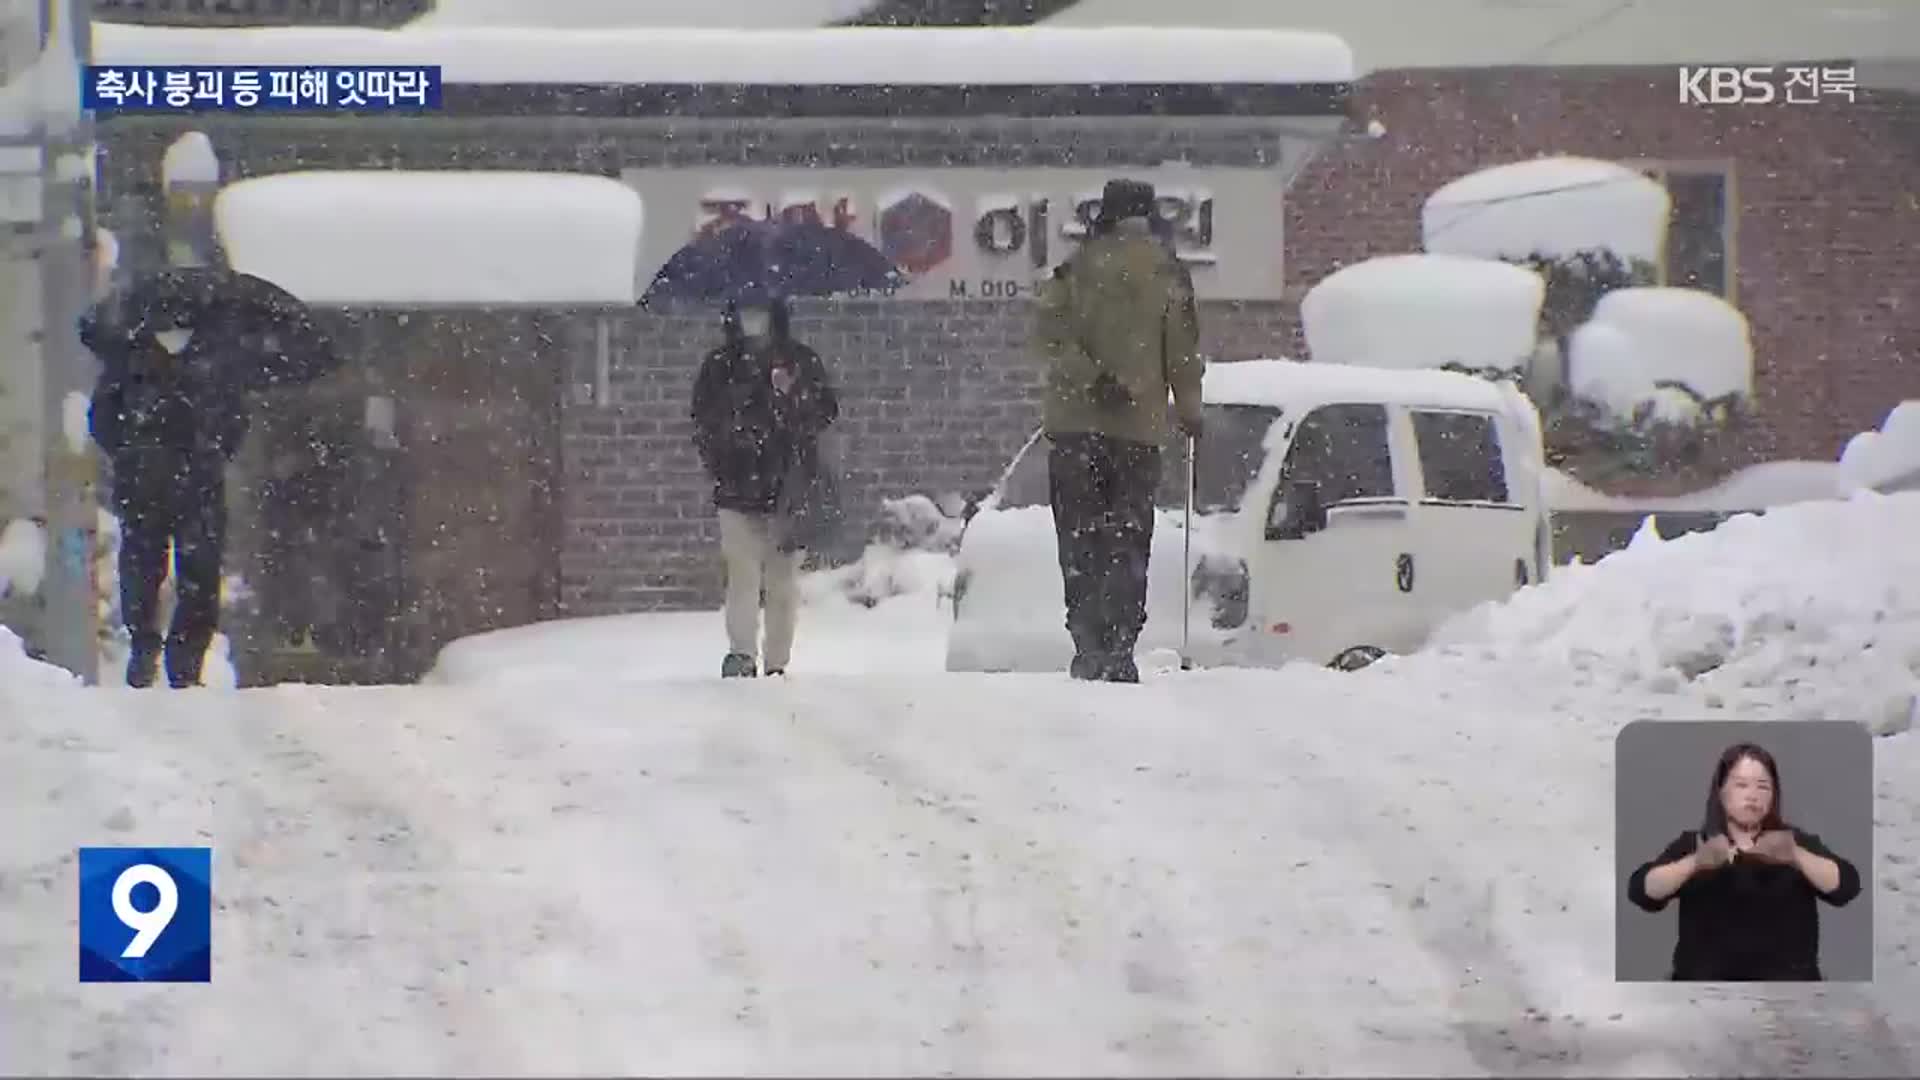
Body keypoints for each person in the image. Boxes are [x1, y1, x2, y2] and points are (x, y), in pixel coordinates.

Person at [1034, 177, 1203, 683]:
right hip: (1138, 429)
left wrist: (1091, 379)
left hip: (1075, 427)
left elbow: (1049, 340)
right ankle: (1120, 645)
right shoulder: (1168, 272)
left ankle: (1088, 643)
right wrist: (1190, 410)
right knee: (1128, 537)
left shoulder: (1073, 269)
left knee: (1080, 537)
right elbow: (1184, 351)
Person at [83, 298, 249, 689]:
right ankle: (153, 651)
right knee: (159, 572)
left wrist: (205, 452)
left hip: (178, 486)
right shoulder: (138, 361)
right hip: (162, 486)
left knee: (185, 574)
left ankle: (177, 658)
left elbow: (235, 421)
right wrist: (132, 454)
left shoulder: (204, 365)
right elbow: (103, 418)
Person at [690, 298, 839, 678]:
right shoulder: (720, 367)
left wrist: (790, 396)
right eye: (745, 311)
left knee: (782, 580)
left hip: (787, 490)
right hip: (736, 488)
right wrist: (728, 452)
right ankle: (741, 653)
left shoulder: (800, 362)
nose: (752, 321)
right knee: (741, 575)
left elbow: (823, 413)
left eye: (760, 311)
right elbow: (705, 421)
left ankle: (777, 661)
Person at [1626, 741, 1862, 981]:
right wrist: (1696, 862)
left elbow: (1847, 886)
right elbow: (1642, 891)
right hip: (1705, 997)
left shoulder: (1793, 842)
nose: (1753, 796)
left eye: (1763, 787)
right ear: (1721, 791)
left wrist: (1795, 856)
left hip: (1787, 1000)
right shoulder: (1695, 843)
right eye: (1741, 785)